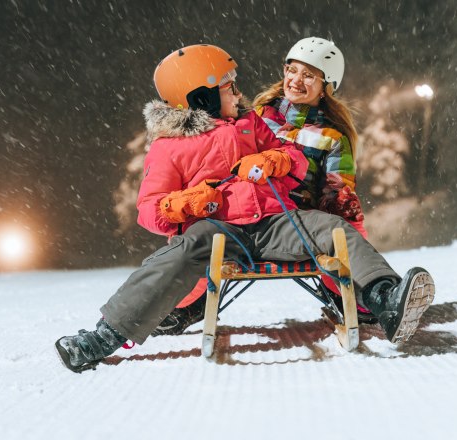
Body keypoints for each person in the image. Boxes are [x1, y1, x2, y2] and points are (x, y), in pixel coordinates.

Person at [55, 44, 435, 373]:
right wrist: (183, 203)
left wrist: (274, 160)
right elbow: (150, 210)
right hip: (218, 230)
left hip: (274, 224)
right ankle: (105, 335)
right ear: (201, 97)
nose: (239, 94)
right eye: (229, 87)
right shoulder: (168, 147)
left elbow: (292, 156)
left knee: (333, 230)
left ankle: (385, 298)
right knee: (183, 250)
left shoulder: (249, 123)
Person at [153, 37, 374, 336]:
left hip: (297, 227)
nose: (296, 80)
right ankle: (183, 304)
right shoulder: (255, 116)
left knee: (336, 231)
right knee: (200, 240)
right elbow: (214, 158)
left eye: (309, 75)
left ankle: (363, 295)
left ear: (326, 86)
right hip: (241, 216)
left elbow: (339, 196)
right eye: (291, 70)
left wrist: (354, 273)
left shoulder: (331, 137)